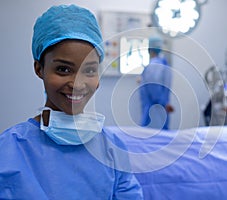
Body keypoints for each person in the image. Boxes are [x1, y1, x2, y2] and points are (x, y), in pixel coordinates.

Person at [0, 4, 143, 199]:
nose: (78, 84)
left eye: (90, 70)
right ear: (39, 68)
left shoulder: (112, 150)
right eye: (63, 70)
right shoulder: (9, 150)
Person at [139, 36, 174, 130]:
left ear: (149, 50)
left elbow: (154, 88)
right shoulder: (162, 64)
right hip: (159, 112)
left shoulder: (154, 66)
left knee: (152, 139)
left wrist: (163, 102)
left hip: (155, 113)